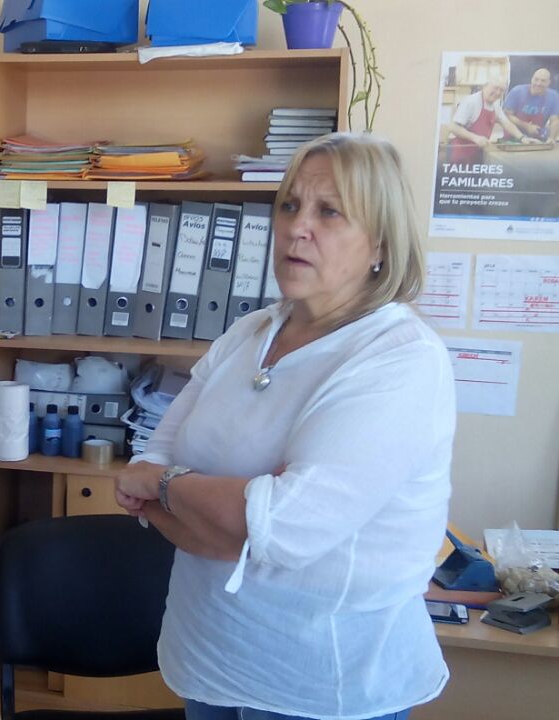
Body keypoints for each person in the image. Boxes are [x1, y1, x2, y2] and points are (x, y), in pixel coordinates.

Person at [114, 133, 455, 720]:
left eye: (330, 212)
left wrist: (170, 488)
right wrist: (233, 516)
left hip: (322, 686)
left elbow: (285, 527)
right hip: (211, 664)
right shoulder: (250, 332)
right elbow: (150, 461)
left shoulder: (400, 359)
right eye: (290, 205)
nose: (298, 228)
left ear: (379, 242)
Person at [444, 78, 537, 163]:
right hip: (459, 153)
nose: (498, 92)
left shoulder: (495, 104)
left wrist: (522, 138)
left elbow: (506, 123)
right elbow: (453, 127)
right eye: (495, 88)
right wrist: (476, 138)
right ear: (485, 87)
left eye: (502, 90)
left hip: (477, 153)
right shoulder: (471, 102)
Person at [504, 67, 559, 142]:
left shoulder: (554, 96)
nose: (538, 83)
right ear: (532, 79)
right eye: (536, 79)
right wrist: (526, 126)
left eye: (543, 81)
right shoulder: (517, 91)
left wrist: (551, 138)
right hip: (513, 138)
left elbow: (555, 120)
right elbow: (506, 116)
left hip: (538, 138)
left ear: (549, 82)